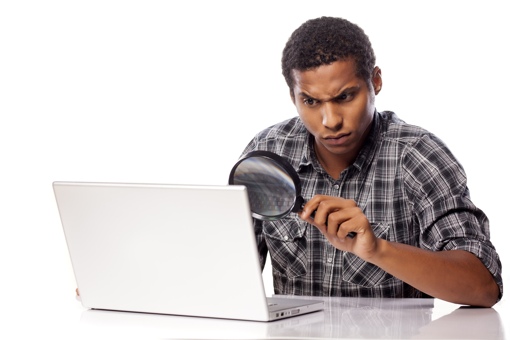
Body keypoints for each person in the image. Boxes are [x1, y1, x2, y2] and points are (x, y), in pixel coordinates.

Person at [238, 16, 503, 307]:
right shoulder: (268, 151)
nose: (330, 121)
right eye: (311, 101)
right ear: (293, 96)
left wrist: (378, 249)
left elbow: (484, 286)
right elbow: (227, 273)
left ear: (375, 81)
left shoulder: (417, 155)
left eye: (345, 96)